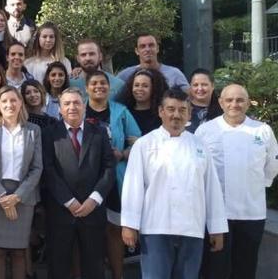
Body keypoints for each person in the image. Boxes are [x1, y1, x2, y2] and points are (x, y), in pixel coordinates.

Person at [121, 89, 228, 278]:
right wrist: (129, 224)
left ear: (189, 113)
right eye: (171, 109)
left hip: (192, 227)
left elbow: (212, 189)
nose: (176, 115)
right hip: (155, 227)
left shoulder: (199, 146)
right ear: (161, 111)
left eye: (182, 110)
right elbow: (133, 186)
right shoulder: (144, 144)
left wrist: (217, 227)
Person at [196, 84, 278, 279]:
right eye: (229, 100)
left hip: (252, 211)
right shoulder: (205, 130)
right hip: (217, 212)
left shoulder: (263, 130)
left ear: (248, 103)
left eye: (240, 100)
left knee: (246, 266)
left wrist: (258, 185)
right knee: (215, 268)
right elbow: (198, 168)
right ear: (220, 103)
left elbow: (272, 164)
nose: (235, 104)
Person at [42, 88, 115, 279]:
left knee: (94, 265)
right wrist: (68, 201)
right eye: (67, 103)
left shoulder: (99, 133)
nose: (72, 107)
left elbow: (108, 168)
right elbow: (48, 170)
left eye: (76, 103)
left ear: (84, 106)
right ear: (59, 109)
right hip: (61, 210)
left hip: (93, 211)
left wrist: (94, 199)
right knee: (59, 265)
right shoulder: (49, 134)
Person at [0, 86, 43, 279]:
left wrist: (17, 196)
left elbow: (37, 168)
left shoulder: (33, 130)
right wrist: (2, 196)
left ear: (21, 103)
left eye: (13, 100)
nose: (9, 104)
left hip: (23, 196)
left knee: (19, 251)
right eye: (4, 101)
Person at [83, 71, 141, 279]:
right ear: (87, 88)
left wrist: (123, 153)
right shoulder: (79, 109)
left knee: (114, 230)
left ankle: (118, 275)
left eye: (103, 83)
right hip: (86, 178)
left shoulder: (120, 111)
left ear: (109, 87)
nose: (99, 86)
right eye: (94, 83)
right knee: (88, 232)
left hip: (115, 178)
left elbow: (138, 141)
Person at [116, 34, 189, 90]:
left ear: (157, 48)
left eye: (151, 45)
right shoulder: (125, 75)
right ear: (137, 51)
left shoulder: (174, 74)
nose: (147, 49)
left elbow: (189, 98)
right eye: (142, 46)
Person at [117, 68, 168, 135]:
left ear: (154, 88)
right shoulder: (124, 113)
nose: (140, 89)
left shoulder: (161, 114)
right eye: (136, 85)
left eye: (145, 86)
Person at [187, 69, 221, 133]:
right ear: (190, 87)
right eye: (195, 85)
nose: (200, 88)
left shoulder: (223, 109)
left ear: (213, 86)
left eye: (204, 85)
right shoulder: (183, 109)